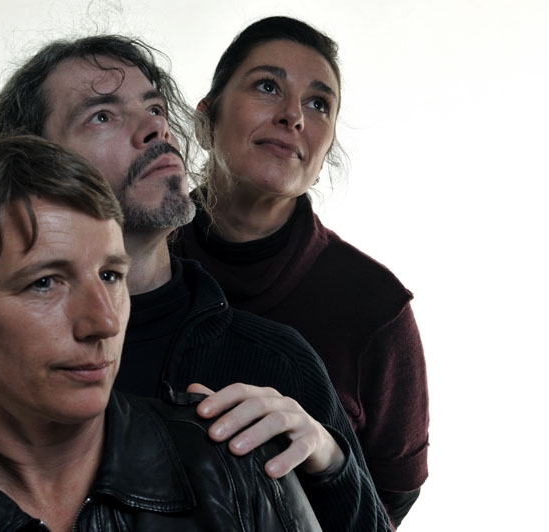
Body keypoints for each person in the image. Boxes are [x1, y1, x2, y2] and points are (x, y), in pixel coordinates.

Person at [0, 36, 392, 531]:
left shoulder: (278, 361)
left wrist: (331, 462)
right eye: (102, 115)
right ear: (35, 161)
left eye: (155, 107)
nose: (156, 128)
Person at [0, 136, 323, 531]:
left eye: (111, 275)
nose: (104, 322)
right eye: (45, 283)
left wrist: (332, 462)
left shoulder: (234, 470)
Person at [170, 16, 429, 528]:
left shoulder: (376, 307)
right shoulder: (125, 264)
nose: (293, 116)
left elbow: (390, 499)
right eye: (268, 86)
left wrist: (329, 459)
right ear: (205, 120)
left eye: (318, 104)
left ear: (325, 151)